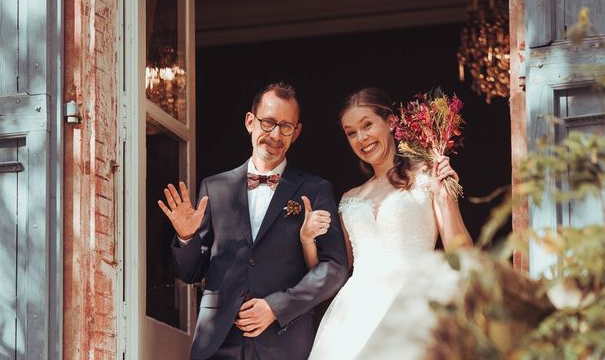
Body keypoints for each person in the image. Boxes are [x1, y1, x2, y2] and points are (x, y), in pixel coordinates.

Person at [157, 81, 349, 360]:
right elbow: (191, 272)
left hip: (285, 340)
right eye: (268, 122)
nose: (275, 134)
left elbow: (335, 267)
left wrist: (277, 306)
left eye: (286, 126)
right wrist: (187, 238)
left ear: (296, 133)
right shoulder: (215, 187)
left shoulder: (315, 189)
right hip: (217, 341)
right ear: (250, 121)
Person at [301, 87, 473, 360]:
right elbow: (333, 273)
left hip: (414, 305)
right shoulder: (349, 198)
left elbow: (461, 253)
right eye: (351, 132)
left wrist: (445, 197)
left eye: (367, 125)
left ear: (391, 122)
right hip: (354, 317)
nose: (361, 138)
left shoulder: (428, 177)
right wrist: (307, 239)